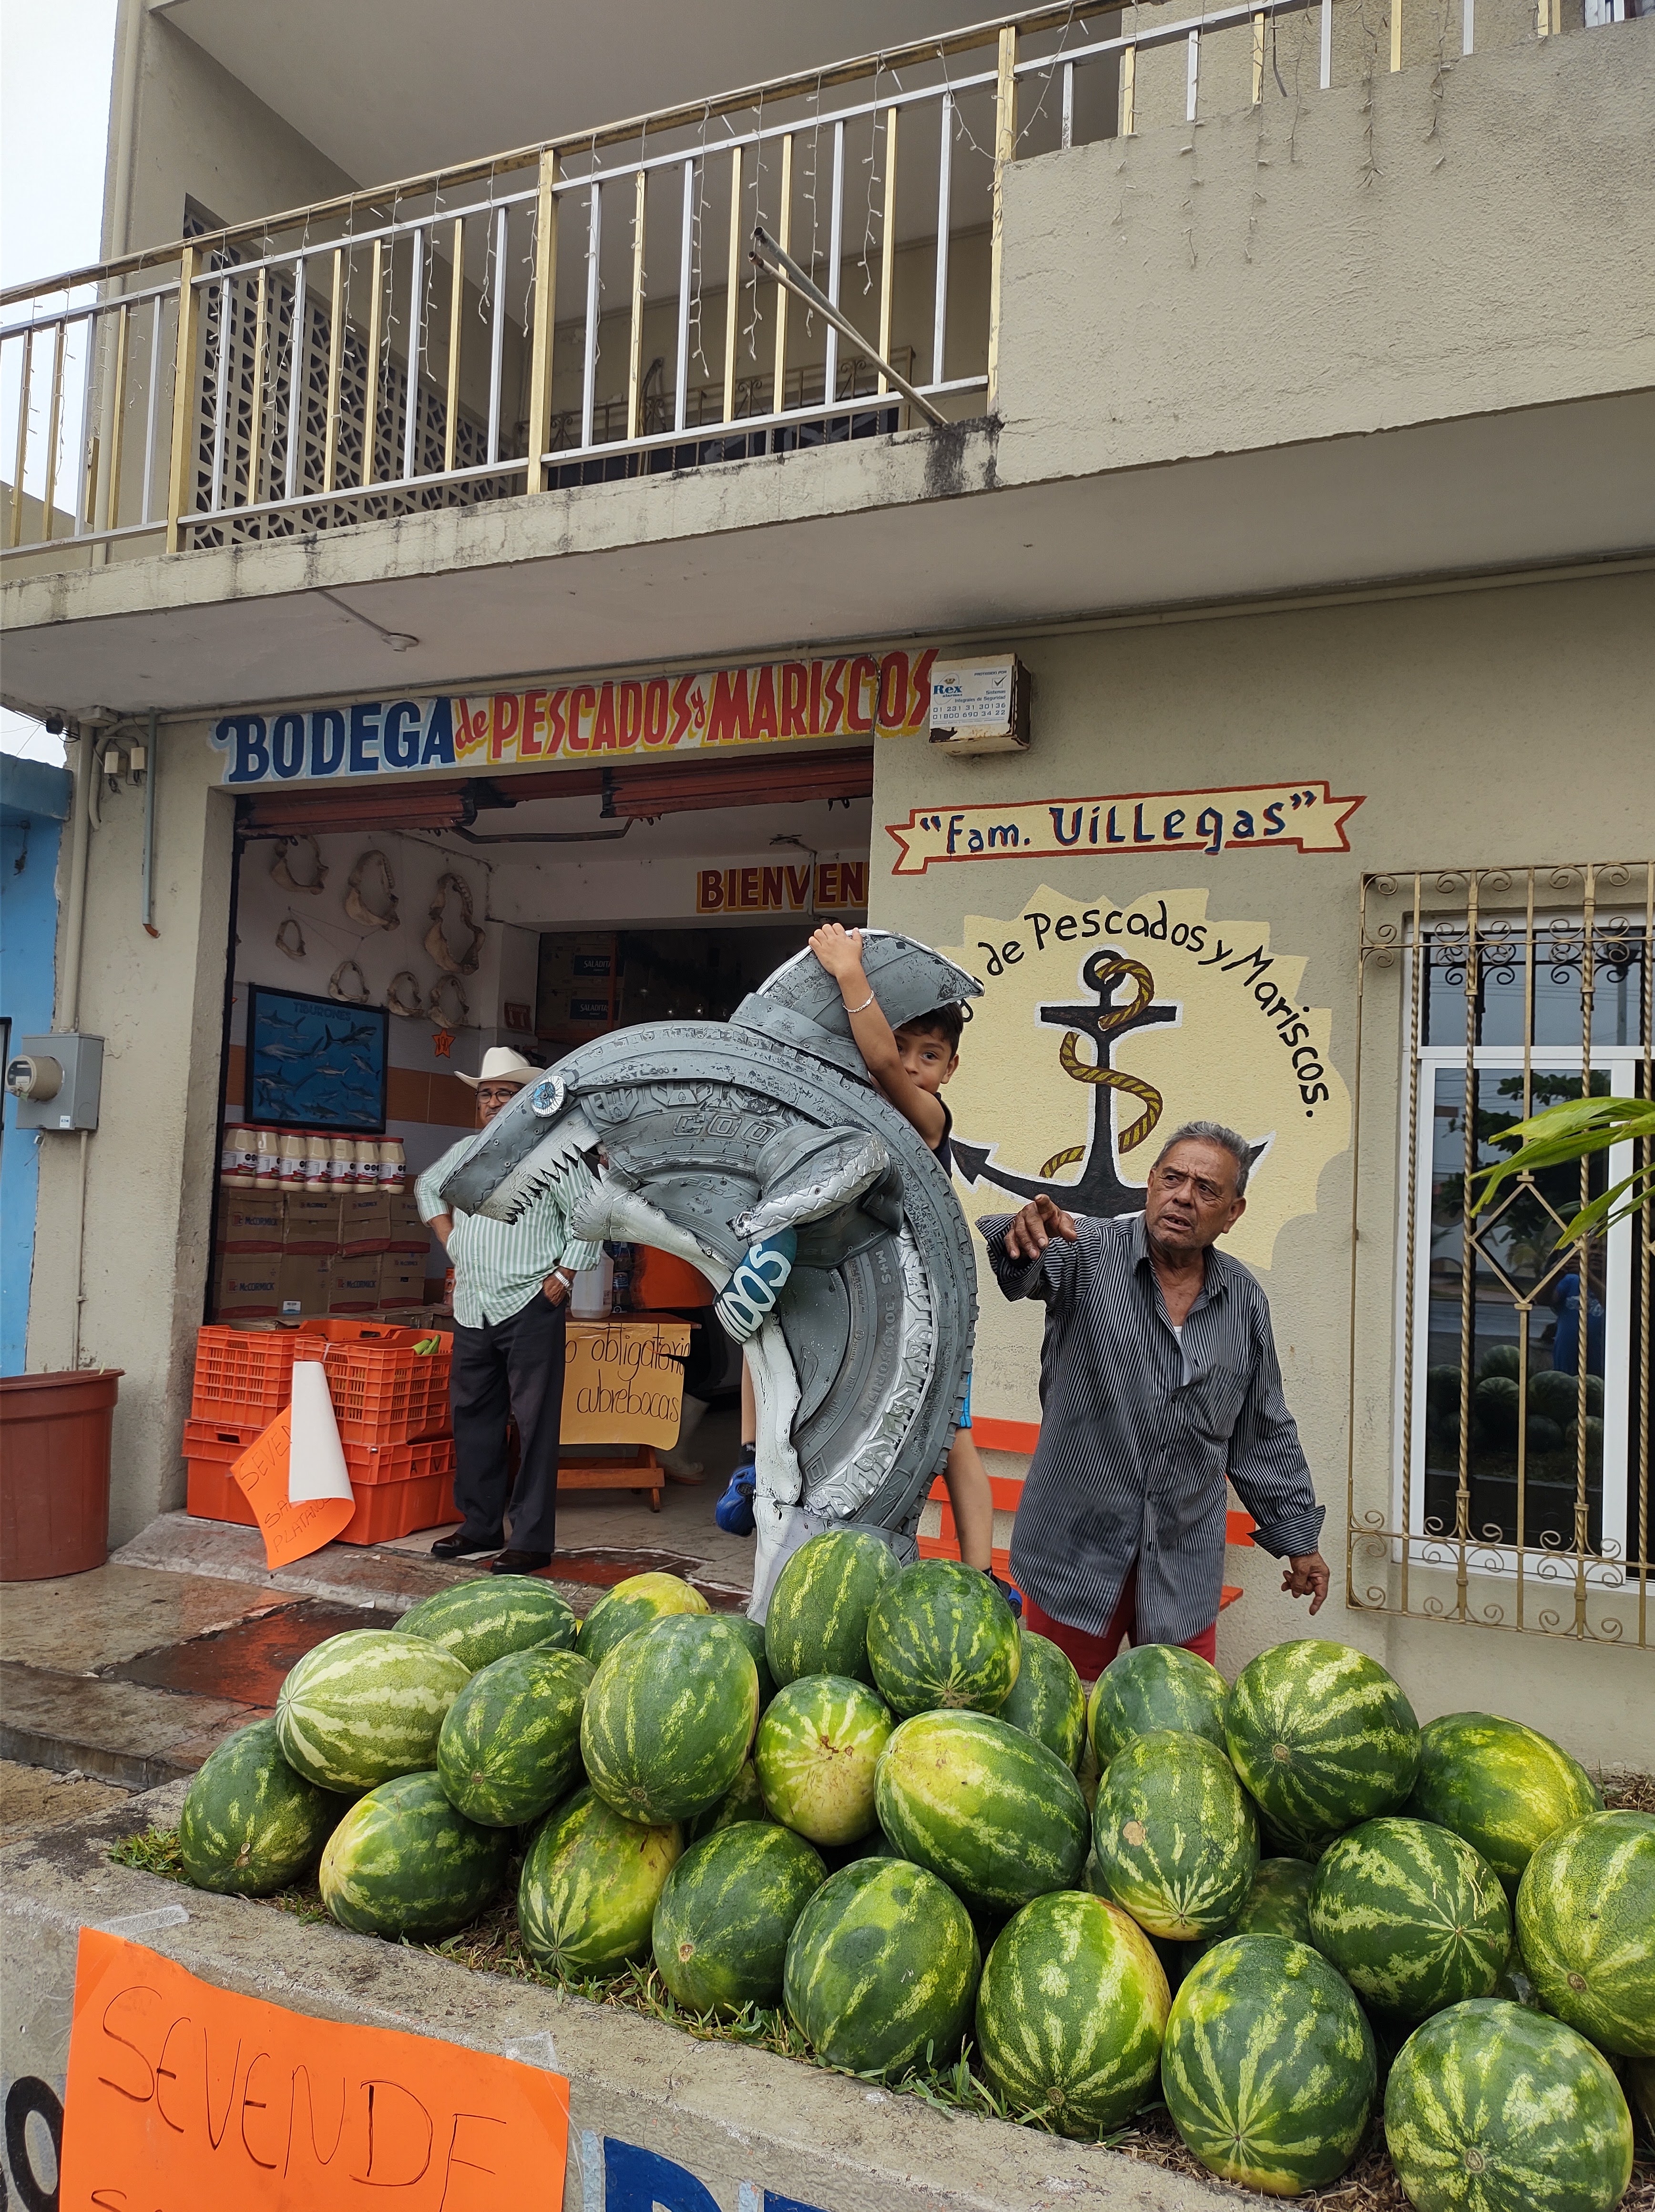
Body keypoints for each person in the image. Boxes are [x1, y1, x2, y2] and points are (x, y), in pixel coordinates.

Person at [981, 1122, 1330, 1676]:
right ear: (1150, 1183)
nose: (1183, 1196)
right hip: (1074, 1557)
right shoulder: (1087, 1251)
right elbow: (1025, 1266)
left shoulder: (1243, 1300)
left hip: (1180, 1571)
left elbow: (1262, 1430)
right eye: (1172, 1178)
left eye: (1206, 1189)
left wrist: (1299, 1541)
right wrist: (1019, 1234)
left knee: (1177, 1717)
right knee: (1057, 1711)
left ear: (1233, 1212)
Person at [803, 922, 996, 1574]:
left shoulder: (932, 1120)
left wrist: (849, 971)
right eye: (904, 1044)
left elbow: (884, 1065)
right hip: (871, 1302)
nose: (912, 1063)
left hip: (933, 1307)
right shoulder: (853, 1120)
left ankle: (981, 1575)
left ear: (951, 1068)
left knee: (954, 1435)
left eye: (930, 1055)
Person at [416, 1046, 603, 1574]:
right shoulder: (466, 1151)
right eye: (485, 1094)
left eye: (505, 1093)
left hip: (529, 1303)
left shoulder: (554, 1153)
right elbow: (427, 1186)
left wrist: (565, 1275)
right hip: (473, 1305)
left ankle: (531, 1540)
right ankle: (479, 1525)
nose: (493, 1102)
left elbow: (592, 1215)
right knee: (474, 1418)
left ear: (526, 1101)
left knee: (535, 1426)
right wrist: (450, 1239)